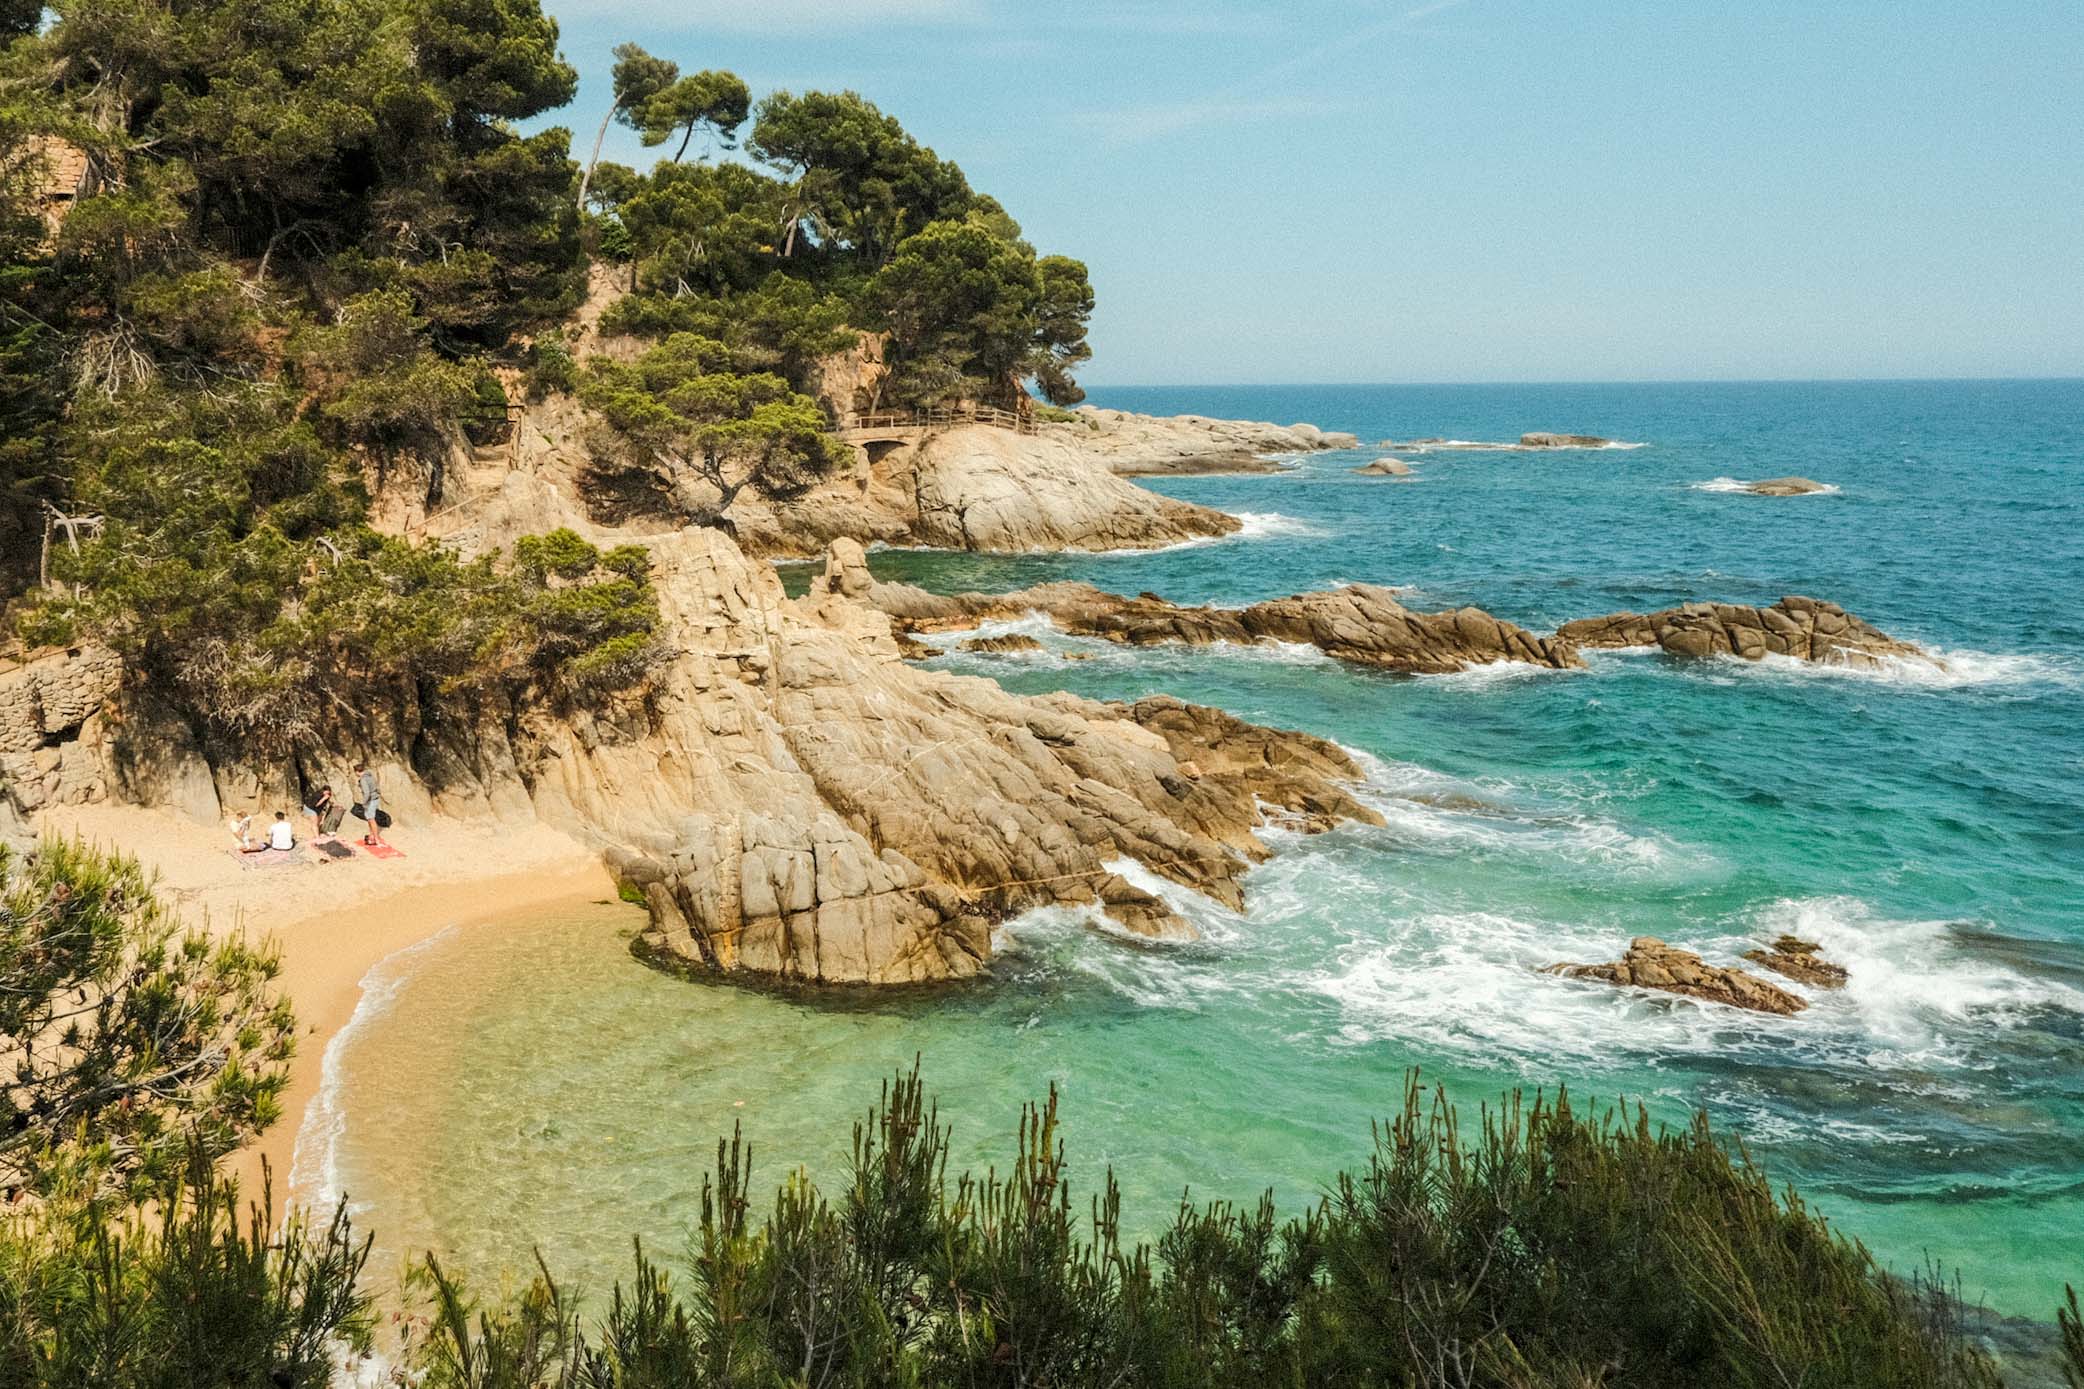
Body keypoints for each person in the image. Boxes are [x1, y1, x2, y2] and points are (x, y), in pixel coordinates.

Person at [354, 762, 386, 846]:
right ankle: (372, 835)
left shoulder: (363, 779)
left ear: (357, 772)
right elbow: (377, 787)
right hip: (375, 799)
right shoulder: (370, 776)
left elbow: (367, 793)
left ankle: (376, 839)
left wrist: (364, 803)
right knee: (369, 818)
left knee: (371, 819)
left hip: (370, 800)